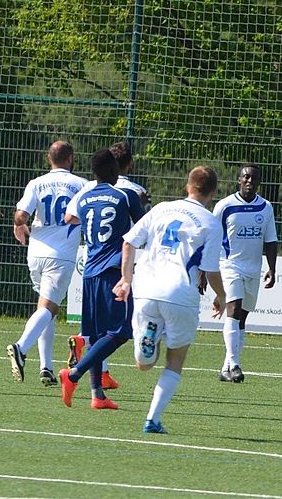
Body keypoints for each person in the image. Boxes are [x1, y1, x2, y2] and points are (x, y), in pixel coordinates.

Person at [114, 166, 227, 434]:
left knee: (144, 365)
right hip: (179, 294)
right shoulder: (211, 223)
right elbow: (210, 271)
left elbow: (129, 243)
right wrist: (222, 298)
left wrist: (126, 279)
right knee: (175, 360)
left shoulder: (161, 208)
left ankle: (150, 334)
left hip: (146, 289)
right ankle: (152, 420)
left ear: (187, 186)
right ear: (213, 192)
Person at [56, 148, 144, 410]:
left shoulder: (84, 198)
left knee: (95, 336)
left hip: (89, 272)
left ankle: (98, 395)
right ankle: (73, 375)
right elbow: (143, 229)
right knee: (120, 332)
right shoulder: (125, 195)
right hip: (113, 272)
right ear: (115, 171)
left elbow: (71, 219)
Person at [7, 140, 88, 386]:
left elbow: (21, 215)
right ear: (71, 158)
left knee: (45, 310)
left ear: (48, 159)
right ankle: (20, 348)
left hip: (36, 253)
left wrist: (19, 223)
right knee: (48, 309)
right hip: (60, 254)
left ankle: (46, 368)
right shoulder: (82, 185)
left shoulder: (36, 183)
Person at [202, 164, 278, 383]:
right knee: (233, 310)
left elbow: (270, 240)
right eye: (245, 177)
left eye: (253, 178)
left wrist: (272, 268)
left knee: (242, 317)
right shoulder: (225, 206)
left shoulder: (265, 207)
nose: (249, 181)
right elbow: (211, 238)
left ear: (259, 181)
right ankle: (235, 365)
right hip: (229, 266)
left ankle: (226, 367)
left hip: (253, 268)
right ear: (238, 180)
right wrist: (203, 271)